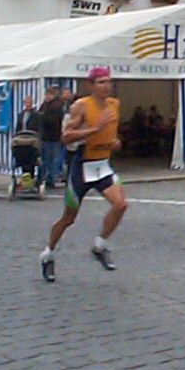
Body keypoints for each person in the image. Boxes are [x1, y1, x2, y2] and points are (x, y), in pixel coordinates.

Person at [38, 67, 128, 283]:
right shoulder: (81, 105)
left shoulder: (114, 104)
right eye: (100, 82)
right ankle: (48, 253)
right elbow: (66, 136)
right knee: (69, 218)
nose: (106, 86)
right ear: (90, 85)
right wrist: (94, 129)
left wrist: (115, 142)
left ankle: (100, 245)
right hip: (82, 167)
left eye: (108, 81)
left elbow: (112, 134)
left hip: (103, 165)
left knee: (121, 205)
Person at [40, 87, 66, 188]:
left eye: (48, 95)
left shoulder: (55, 106)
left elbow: (52, 121)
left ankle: (50, 178)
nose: (46, 97)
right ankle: (49, 177)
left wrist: (42, 117)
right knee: (49, 158)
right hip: (49, 136)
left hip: (52, 136)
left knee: (51, 158)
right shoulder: (47, 105)